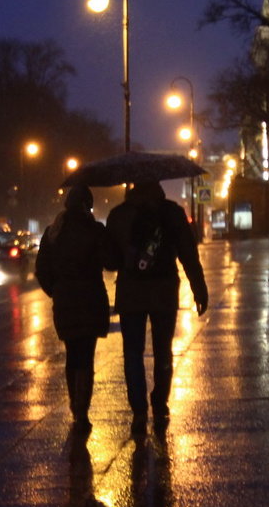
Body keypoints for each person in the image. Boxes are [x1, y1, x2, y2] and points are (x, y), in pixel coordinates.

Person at [106, 180, 208, 434]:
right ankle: (160, 404)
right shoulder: (172, 212)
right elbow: (188, 253)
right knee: (163, 351)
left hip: (131, 292)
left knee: (133, 353)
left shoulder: (119, 214)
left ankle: (139, 411)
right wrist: (199, 288)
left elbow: (109, 261)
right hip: (164, 290)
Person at [35, 185, 117, 434]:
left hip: (65, 302)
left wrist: (57, 291)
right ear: (87, 205)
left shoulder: (53, 233)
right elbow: (111, 262)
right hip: (91, 300)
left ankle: (76, 407)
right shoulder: (95, 230)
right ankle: (82, 409)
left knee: (72, 354)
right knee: (86, 356)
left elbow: (42, 270)